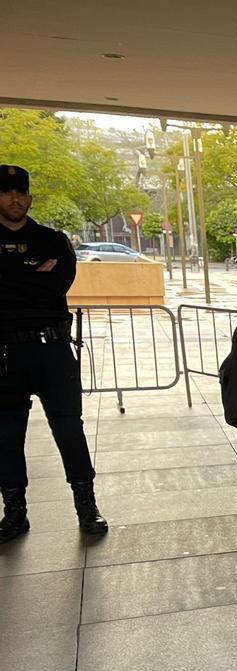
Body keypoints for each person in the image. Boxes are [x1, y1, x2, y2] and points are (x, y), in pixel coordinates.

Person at [0, 164, 107, 543]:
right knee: (6, 435)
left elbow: (58, 283)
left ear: (29, 197)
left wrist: (11, 276)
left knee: (69, 429)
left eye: (21, 192)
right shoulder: (45, 248)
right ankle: (14, 513)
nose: (15, 199)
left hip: (52, 350)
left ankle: (86, 506)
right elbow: (41, 285)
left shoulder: (52, 239)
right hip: (5, 355)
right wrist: (32, 275)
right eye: (7, 192)